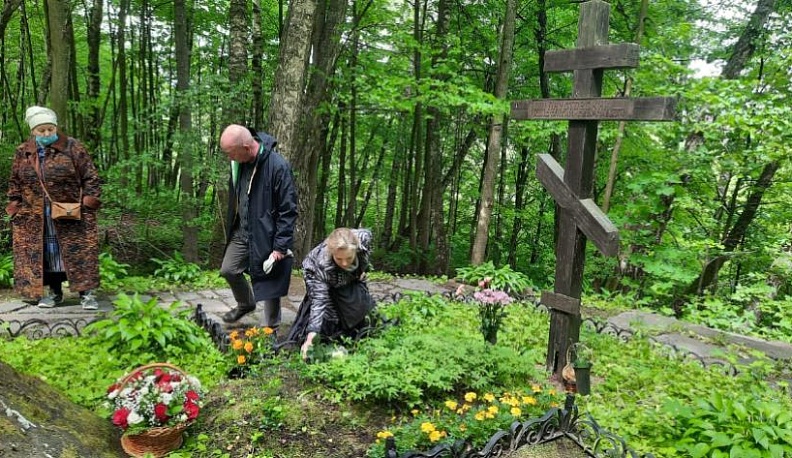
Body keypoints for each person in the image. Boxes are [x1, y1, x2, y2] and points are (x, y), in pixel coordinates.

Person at [6, 106, 102, 309]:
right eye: (42, 130)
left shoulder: (73, 147)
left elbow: (90, 176)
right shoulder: (24, 151)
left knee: (79, 252)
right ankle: (54, 293)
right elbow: (15, 180)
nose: (47, 133)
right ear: (33, 131)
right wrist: (15, 205)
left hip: (72, 212)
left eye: (50, 129)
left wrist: (88, 202)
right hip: (35, 216)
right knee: (48, 254)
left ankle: (87, 295)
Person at [218, 124, 298, 329]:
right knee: (229, 269)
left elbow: (287, 210)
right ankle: (246, 303)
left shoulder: (277, 167)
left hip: (267, 235)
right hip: (243, 232)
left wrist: (280, 246)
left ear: (246, 147)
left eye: (230, 153)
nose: (229, 158)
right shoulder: (240, 164)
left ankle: (270, 330)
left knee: (271, 283)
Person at [287, 227, 377, 359]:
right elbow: (319, 301)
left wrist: (362, 270)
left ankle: (357, 333)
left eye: (349, 258)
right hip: (318, 275)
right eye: (339, 259)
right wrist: (312, 336)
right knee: (330, 313)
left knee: (358, 303)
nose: (344, 263)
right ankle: (325, 340)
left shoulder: (363, 238)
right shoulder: (321, 264)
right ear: (332, 253)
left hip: (350, 276)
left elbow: (366, 248)